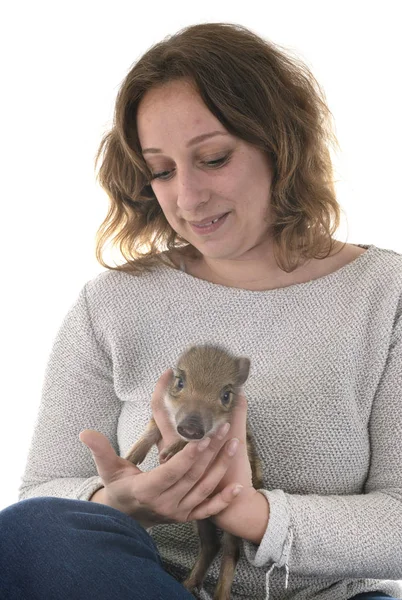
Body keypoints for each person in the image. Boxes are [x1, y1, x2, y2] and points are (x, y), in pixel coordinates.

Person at [0, 21, 401, 600]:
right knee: (27, 535)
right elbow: (41, 495)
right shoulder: (111, 303)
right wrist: (118, 502)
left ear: (280, 145)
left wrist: (250, 511)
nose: (186, 198)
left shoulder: (384, 295)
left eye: (212, 159)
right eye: (161, 170)